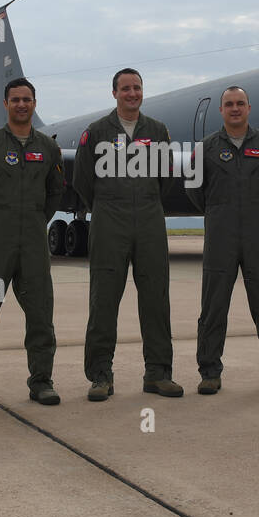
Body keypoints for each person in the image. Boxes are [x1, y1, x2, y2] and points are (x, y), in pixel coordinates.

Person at [0, 78, 66, 410]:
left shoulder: (48, 148)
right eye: (15, 99)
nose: (21, 104)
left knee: (40, 316)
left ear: (35, 103)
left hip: (32, 247)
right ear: (5, 104)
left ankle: (41, 382)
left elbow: (55, 193)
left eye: (27, 99)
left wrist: (33, 220)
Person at [73, 68, 181, 400]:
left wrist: (145, 202)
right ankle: (100, 375)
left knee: (155, 300)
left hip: (149, 218)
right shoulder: (96, 132)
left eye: (136, 88)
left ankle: (158, 373)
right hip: (109, 219)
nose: (132, 93)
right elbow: (82, 180)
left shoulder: (158, 131)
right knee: (103, 300)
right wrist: (108, 204)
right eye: (125, 89)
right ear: (114, 93)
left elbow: (166, 178)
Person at [188, 86, 259, 394]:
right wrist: (219, 211)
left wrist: (258, 212)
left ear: (249, 108)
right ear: (221, 110)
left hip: (258, 235)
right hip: (220, 235)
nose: (235, 108)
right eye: (229, 104)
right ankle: (209, 372)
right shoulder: (204, 148)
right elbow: (194, 190)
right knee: (213, 306)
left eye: (240, 104)